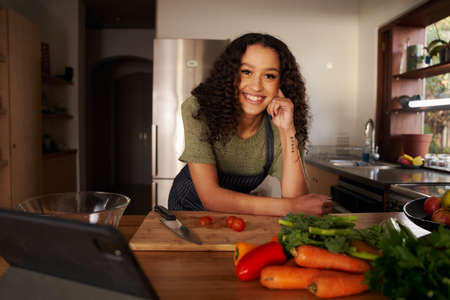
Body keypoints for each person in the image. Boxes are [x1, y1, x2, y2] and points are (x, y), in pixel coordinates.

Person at [168, 33, 333, 216]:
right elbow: (211, 197)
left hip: (236, 212)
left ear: (282, 83)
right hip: (188, 210)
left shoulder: (284, 121)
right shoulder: (198, 109)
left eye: (269, 76)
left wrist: (287, 131)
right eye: (246, 72)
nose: (256, 86)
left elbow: (297, 198)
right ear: (231, 75)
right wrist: (289, 207)